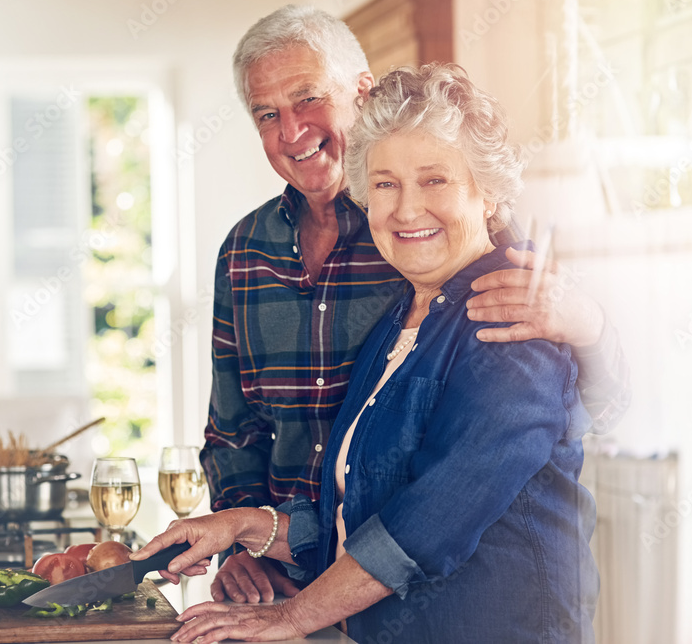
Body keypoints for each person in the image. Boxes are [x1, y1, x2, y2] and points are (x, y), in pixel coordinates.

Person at [136, 63, 598, 643]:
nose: (406, 210)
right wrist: (241, 525)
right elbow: (361, 513)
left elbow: (428, 523)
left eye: (434, 181)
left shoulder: (512, 318)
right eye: (385, 184)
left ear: (488, 195)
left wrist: (292, 616)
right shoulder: (398, 321)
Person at [202, 4, 628, 604]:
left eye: (308, 98)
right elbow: (232, 432)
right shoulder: (245, 250)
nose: (291, 131)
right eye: (267, 114)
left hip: (437, 595)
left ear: (362, 93)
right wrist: (242, 548)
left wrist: (591, 326)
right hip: (288, 574)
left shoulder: (442, 244)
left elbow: (568, 401)